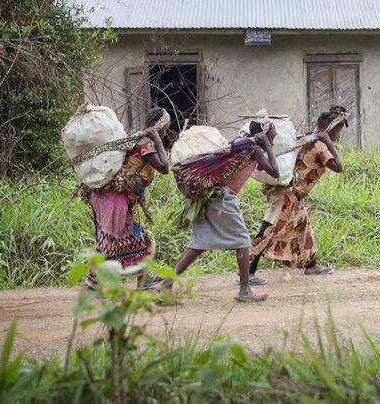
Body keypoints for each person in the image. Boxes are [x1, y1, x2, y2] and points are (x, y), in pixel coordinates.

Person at [158, 119, 279, 302]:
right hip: (222, 198)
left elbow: (261, 166)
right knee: (242, 240)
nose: (273, 141)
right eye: (272, 137)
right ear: (263, 136)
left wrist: (264, 147)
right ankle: (245, 291)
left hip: (210, 195)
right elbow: (275, 172)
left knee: (198, 244)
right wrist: (267, 147)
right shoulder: (252, 148)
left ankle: (165, 285)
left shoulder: (243, 145)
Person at [247, 106, 347, 284]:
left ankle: (311, 265)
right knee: (269, 228)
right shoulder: (321, 145)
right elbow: (338, 167)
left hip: (290, 193)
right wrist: (328, 141)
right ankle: (247, 270)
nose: (338, 136)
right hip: (288, 195)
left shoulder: (303, 138)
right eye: (338, 130)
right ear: (330, 129)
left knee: (302, 224)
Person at [83, 108, 171, 290]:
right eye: (165, 128)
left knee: (141, 240)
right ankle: (92, 284)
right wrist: (157, 140)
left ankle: (143, 279)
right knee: (109, 240)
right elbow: (164, 167)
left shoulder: (137, 138)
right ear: (159, 126)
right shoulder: (145, 142)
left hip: (118, 197)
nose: (165, 133)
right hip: (114, 197)